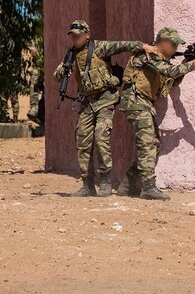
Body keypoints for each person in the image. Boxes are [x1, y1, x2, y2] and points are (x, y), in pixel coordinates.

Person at [53, 20, 159, 197]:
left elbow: (122, 45)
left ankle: (105, 181)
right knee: (82, 141)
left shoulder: (100, 48)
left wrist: (143, 46)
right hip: (87, 102)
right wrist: (63, 71)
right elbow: (57, 75)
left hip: (105, 99)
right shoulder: (71, 55)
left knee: (101, 136)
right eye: (73, 36)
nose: (75, 38)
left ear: (87, 35)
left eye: (78, 35)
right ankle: (87, 185)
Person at [117, 27, 195, 201]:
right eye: (173, 44)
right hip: (136, 102)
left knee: (154, 145)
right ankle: (148, 187)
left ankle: (128, 183)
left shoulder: (162, 60)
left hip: (145, 104)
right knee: (147, 145)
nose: (175, 48)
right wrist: (194, 63)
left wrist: (186, 63)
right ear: (162, 42)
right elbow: (168, 72)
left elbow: (172, 81)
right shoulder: (149, 55)